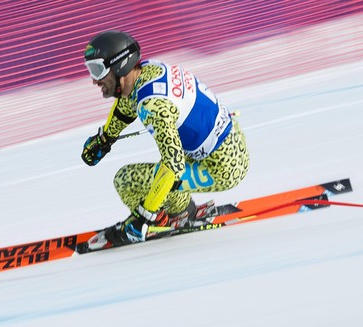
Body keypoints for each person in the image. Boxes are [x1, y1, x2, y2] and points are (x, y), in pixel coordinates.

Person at [81, 30, 249, 246]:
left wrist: (143, 217)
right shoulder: (148, 70)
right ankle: (179, 210)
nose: (94, 81)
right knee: (160, 171)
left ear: (119, 65)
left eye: (97, 70)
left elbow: (173, 165)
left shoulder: (153, 105)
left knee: (126, 181)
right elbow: (127, 104)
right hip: (226, 148)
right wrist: (105, 139)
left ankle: (164, 219)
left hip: (223, 168)